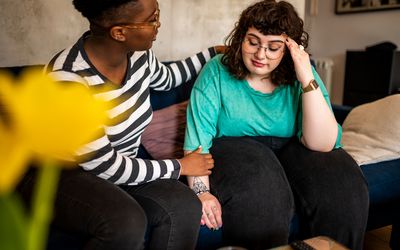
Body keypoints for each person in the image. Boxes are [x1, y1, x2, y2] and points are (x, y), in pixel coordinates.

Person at [16, 0, 224, 249]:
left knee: (184, 205)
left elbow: (168, 79)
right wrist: (180, 167)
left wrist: (214, 52)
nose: (158, 25)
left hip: (119, 168)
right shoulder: (69, 80)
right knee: (126, 222)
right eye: (151, 19)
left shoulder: (138, 55)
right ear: (119, 32)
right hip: (64, 175)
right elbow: (107, 166)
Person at [183, 1, 369, 249]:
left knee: (343, 188)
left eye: (273, 47)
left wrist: (305, 76)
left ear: (289, 48)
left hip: (293, 147)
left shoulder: (301, 73)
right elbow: (197, 143)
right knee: (263, 193)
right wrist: (200, 192)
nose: (261, 55)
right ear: (241, 38)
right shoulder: (217, 70)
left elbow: (322, 143)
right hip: (234, 148)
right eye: (253, 42)